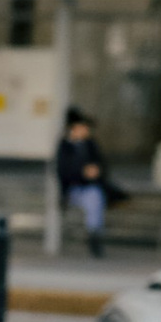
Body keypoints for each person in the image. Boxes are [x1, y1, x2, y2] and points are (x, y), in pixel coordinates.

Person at [56, 105, 108, 256]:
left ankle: (94, 233)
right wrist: (82, 172)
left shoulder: (90, 145)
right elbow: (62, 171)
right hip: (73, 189)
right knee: (93, 198)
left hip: (90, 187)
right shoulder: (65, 146)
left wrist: (96, 171)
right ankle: (94, 235)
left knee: (94, 197)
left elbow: (102, 165)